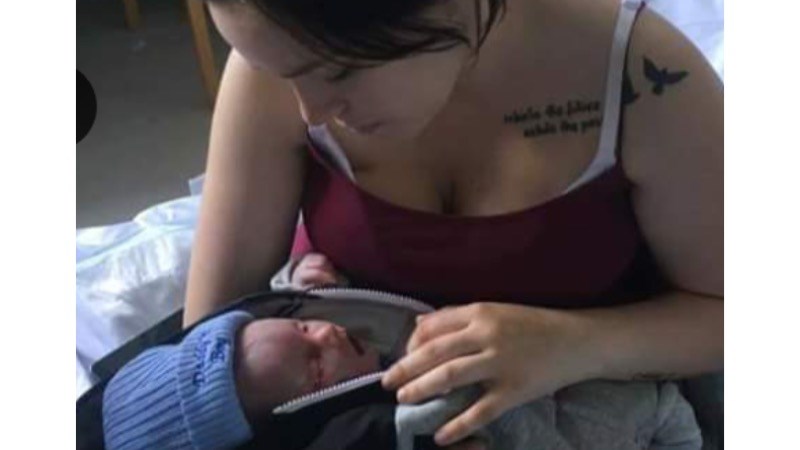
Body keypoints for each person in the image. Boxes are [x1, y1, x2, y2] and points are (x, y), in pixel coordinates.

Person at [183, 0, 723, 447]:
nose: (311, 113)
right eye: (281, 74)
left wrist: (576, 343)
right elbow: (200, 361)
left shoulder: (645, 80)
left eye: (338, 71)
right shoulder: (277, 58)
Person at [103, 310, 701, 450]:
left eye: (303, 324)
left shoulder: (318, 326)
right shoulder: (364, 428)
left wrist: (304, 271)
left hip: (606, 373)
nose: (328, 334)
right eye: (313, 366)